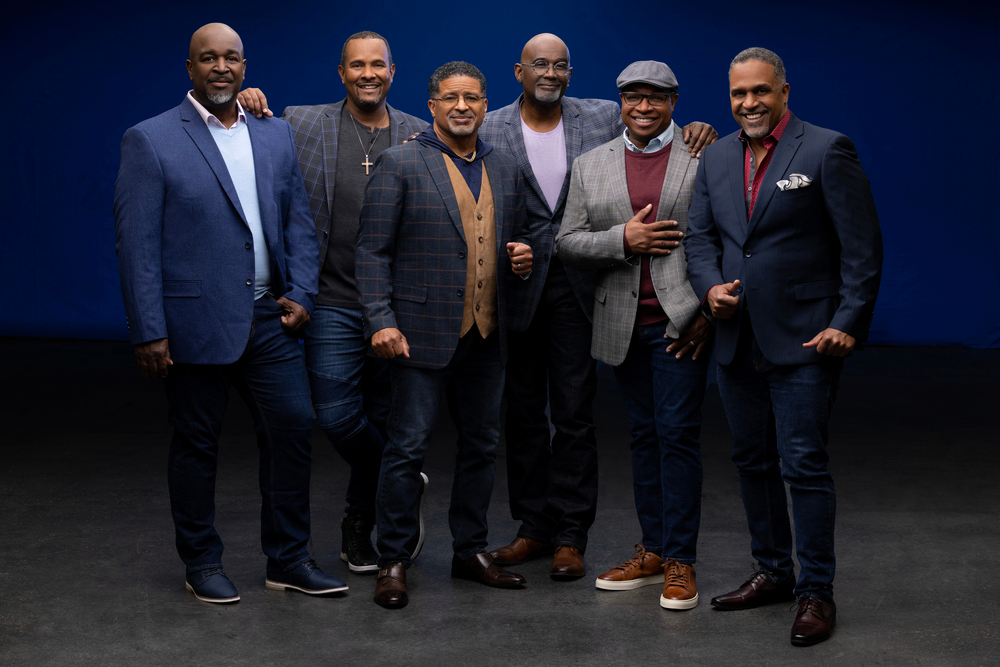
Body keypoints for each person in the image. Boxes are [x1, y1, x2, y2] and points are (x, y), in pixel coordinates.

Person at [113, 23, 346, 603]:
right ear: (190, 68)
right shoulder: (150, 139)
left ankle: (288, 559)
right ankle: (202, 562)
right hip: (193, 322)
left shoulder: (274, 133)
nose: (221, 67)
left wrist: (304, 293)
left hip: (270, 317)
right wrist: (148, 330)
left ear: (245, 67)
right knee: (197, 444)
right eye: (208, 58)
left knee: (292, 428)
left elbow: (298, 220)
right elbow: (136, 244)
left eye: (232, 58)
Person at [479, 33, 718, 580]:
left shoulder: (603, 114)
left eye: (561, 65)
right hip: (516, 284)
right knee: (522, 415)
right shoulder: (489, 125)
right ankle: (533, 528)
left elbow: (657, 124)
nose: (550, 73)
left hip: (582, 288)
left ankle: (571, 536)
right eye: (540, 64)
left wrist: (702, 128)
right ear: (518, 71)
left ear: (571, 73)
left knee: (574, 414)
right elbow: (450, 153)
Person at [684, 47, 883, 646]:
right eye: (739, 93)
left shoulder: (826, 149)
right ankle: (772, 571)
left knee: (803, 465)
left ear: (784, 92)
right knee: (752, 461)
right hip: (735, 337)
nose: (749, 103)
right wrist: (709, 288)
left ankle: (816, 591)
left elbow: (862, 246)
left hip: (805, 337)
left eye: (760, 91)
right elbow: (699, 239)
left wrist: (848, 320)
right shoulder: (716, 156)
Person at [236, 32, 429, 574]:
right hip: (331, 299)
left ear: (393, 71)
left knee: (383, 415)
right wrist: (246, 102)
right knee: (338, 416)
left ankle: (359, 522)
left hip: (396, 303)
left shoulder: (420, 132)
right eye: (357, 66)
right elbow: (240, 138)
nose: (368, 74)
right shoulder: (299, 122)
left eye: (378, 65)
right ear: (341, 73)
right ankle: (401, 479)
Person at [356, 61, 537, 609]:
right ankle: (392, 558)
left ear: (485, 106)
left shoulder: (505, 167)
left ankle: (469, 551)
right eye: (452, 98)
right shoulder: (401, 162)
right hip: (418, 333)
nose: (463, 106)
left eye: (473, 98)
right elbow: (372, 251)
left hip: (486, 334)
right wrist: (381, 320)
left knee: (481, 446)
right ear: (432, 105)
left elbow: (519, 237)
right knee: (407, 447)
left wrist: (522, 257)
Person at [556, 61, 711, 611]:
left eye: (656, 97)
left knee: (677, 437)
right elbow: (568, 242)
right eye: (633, 97)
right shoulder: (591, 163)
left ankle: (681, 561)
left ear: (674, 102)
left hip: (681, 323)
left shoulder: (703, 155)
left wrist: (707, 313)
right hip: (621, 324)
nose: (644, 107)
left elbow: (720, 237)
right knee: (644, 438)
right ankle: (654, 550)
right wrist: (623, 239)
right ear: (620, 102)